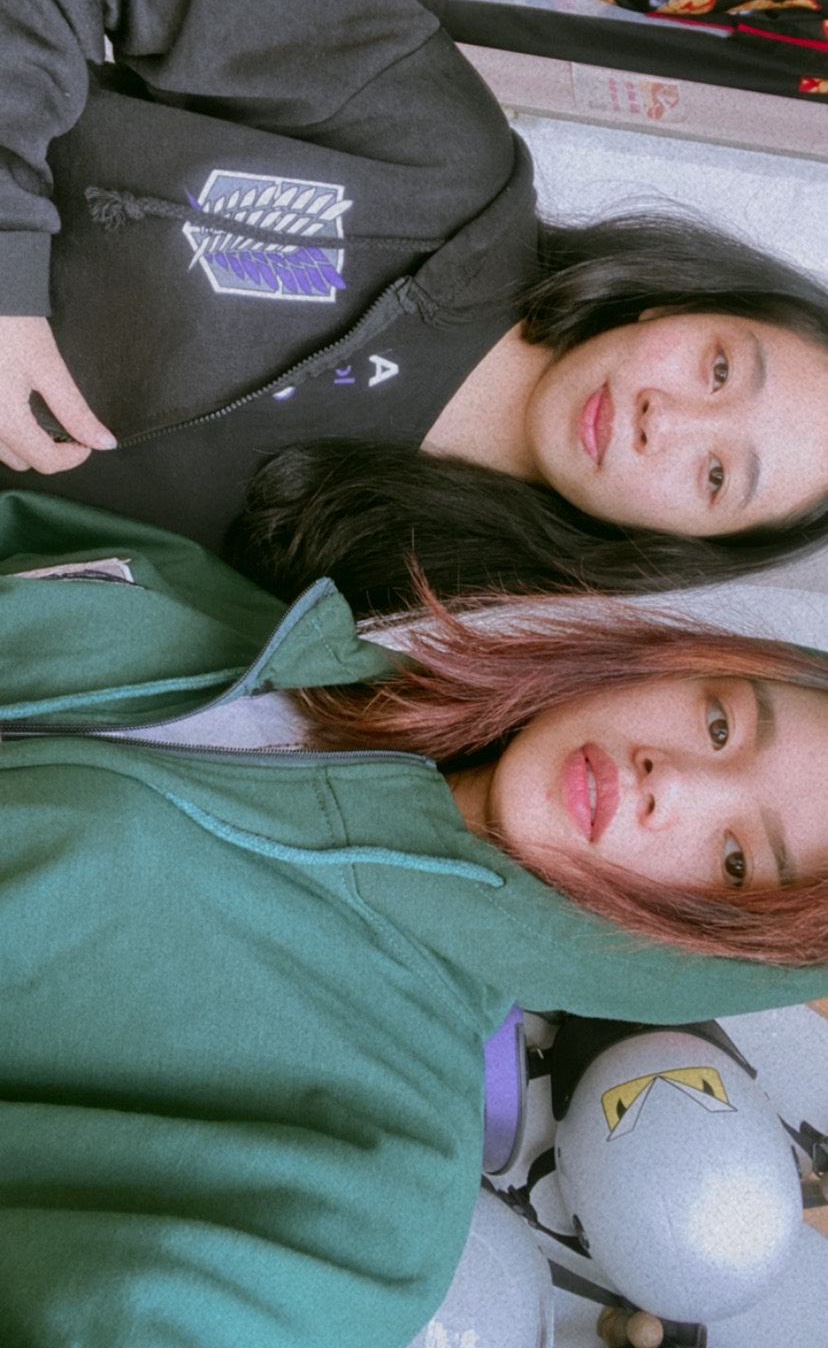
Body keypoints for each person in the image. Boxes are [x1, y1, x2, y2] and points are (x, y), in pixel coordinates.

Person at [2, 486, 828, 1345]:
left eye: (735, 861)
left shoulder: (379, 1191)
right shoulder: (285, 635)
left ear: (704, 952)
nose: (673, 780)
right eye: (723, 722)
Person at [2, 0, 828, 601]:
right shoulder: (440, 154)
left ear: (678, 546)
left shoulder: (404, 603)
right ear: (679, 304)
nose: (664, 420)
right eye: (720, 368)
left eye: (715, 474)